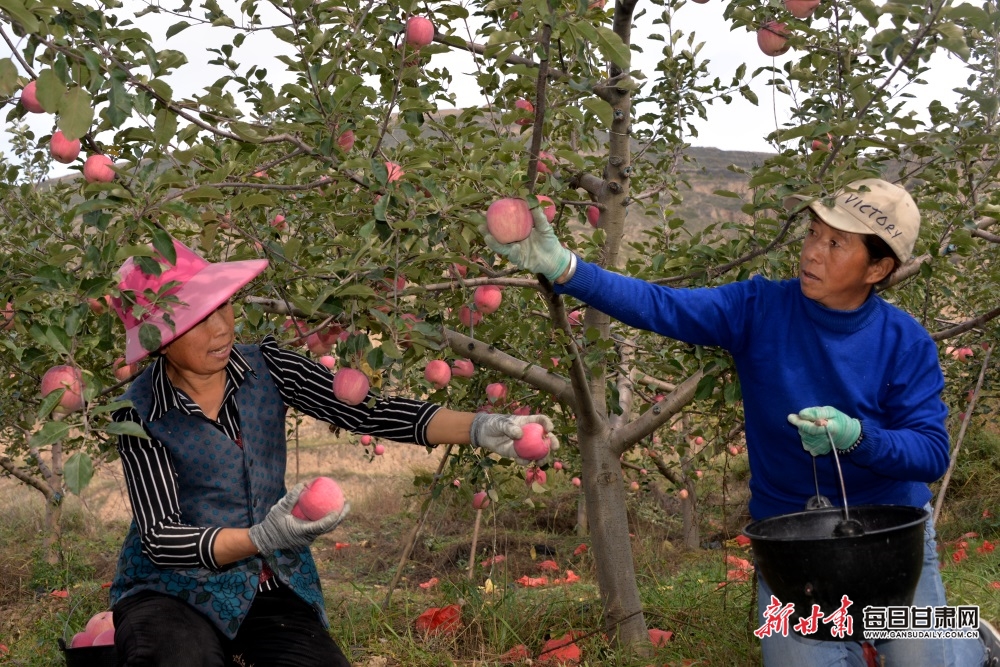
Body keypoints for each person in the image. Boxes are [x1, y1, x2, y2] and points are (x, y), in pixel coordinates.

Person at [484, 179, 996, 666]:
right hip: (792, 538)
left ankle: (968, 640)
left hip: (891, 533)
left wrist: (857, 437)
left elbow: (930, 453)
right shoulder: (759, 308)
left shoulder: (905, 341)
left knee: (926, 657)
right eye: (813, 233)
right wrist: (566, 268)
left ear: (877, 269)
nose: (813, 251)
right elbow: (662, 306)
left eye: (837, 244)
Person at [106, 238, 558, 667]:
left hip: (265, 585)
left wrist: (480, 428)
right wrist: (260, 538)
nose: (222, 327)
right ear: (159, 338)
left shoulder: (269, 367)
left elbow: (370, 413)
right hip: (168, 590)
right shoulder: (137, 410)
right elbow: (163, 536)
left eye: (222, 305)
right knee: (178, 659)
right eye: (198, 318)